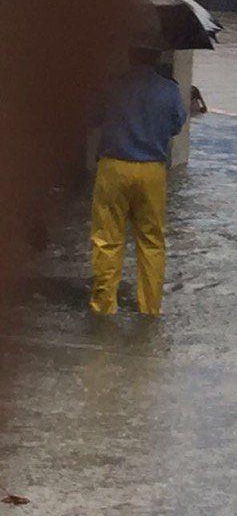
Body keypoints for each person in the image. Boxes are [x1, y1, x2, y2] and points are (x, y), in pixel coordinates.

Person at [89, 48, 187, 316]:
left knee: (107, 239)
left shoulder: (112, 85)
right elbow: (177, 125)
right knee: (151, 241)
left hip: (113, 167)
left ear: (129, 56)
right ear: (157, 58)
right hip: (152, 171)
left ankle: (104, 306)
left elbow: (93, 117)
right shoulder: (169, 90)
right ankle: (150, 308)